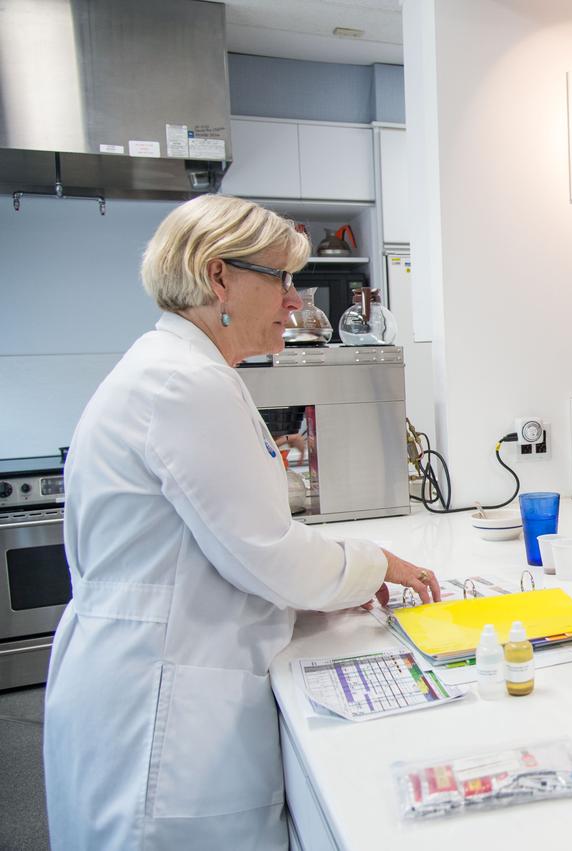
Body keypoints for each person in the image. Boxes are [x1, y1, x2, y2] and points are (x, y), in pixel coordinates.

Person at [43, 194, 443, 850]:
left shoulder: (180, 371)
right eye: (280, 278)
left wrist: (335, 581)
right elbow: (268, 555)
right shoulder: (183, 384)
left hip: (150, 675)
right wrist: (374, 562)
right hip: (162, 711)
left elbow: (231, 542)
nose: (295, 299)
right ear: (217, 275)